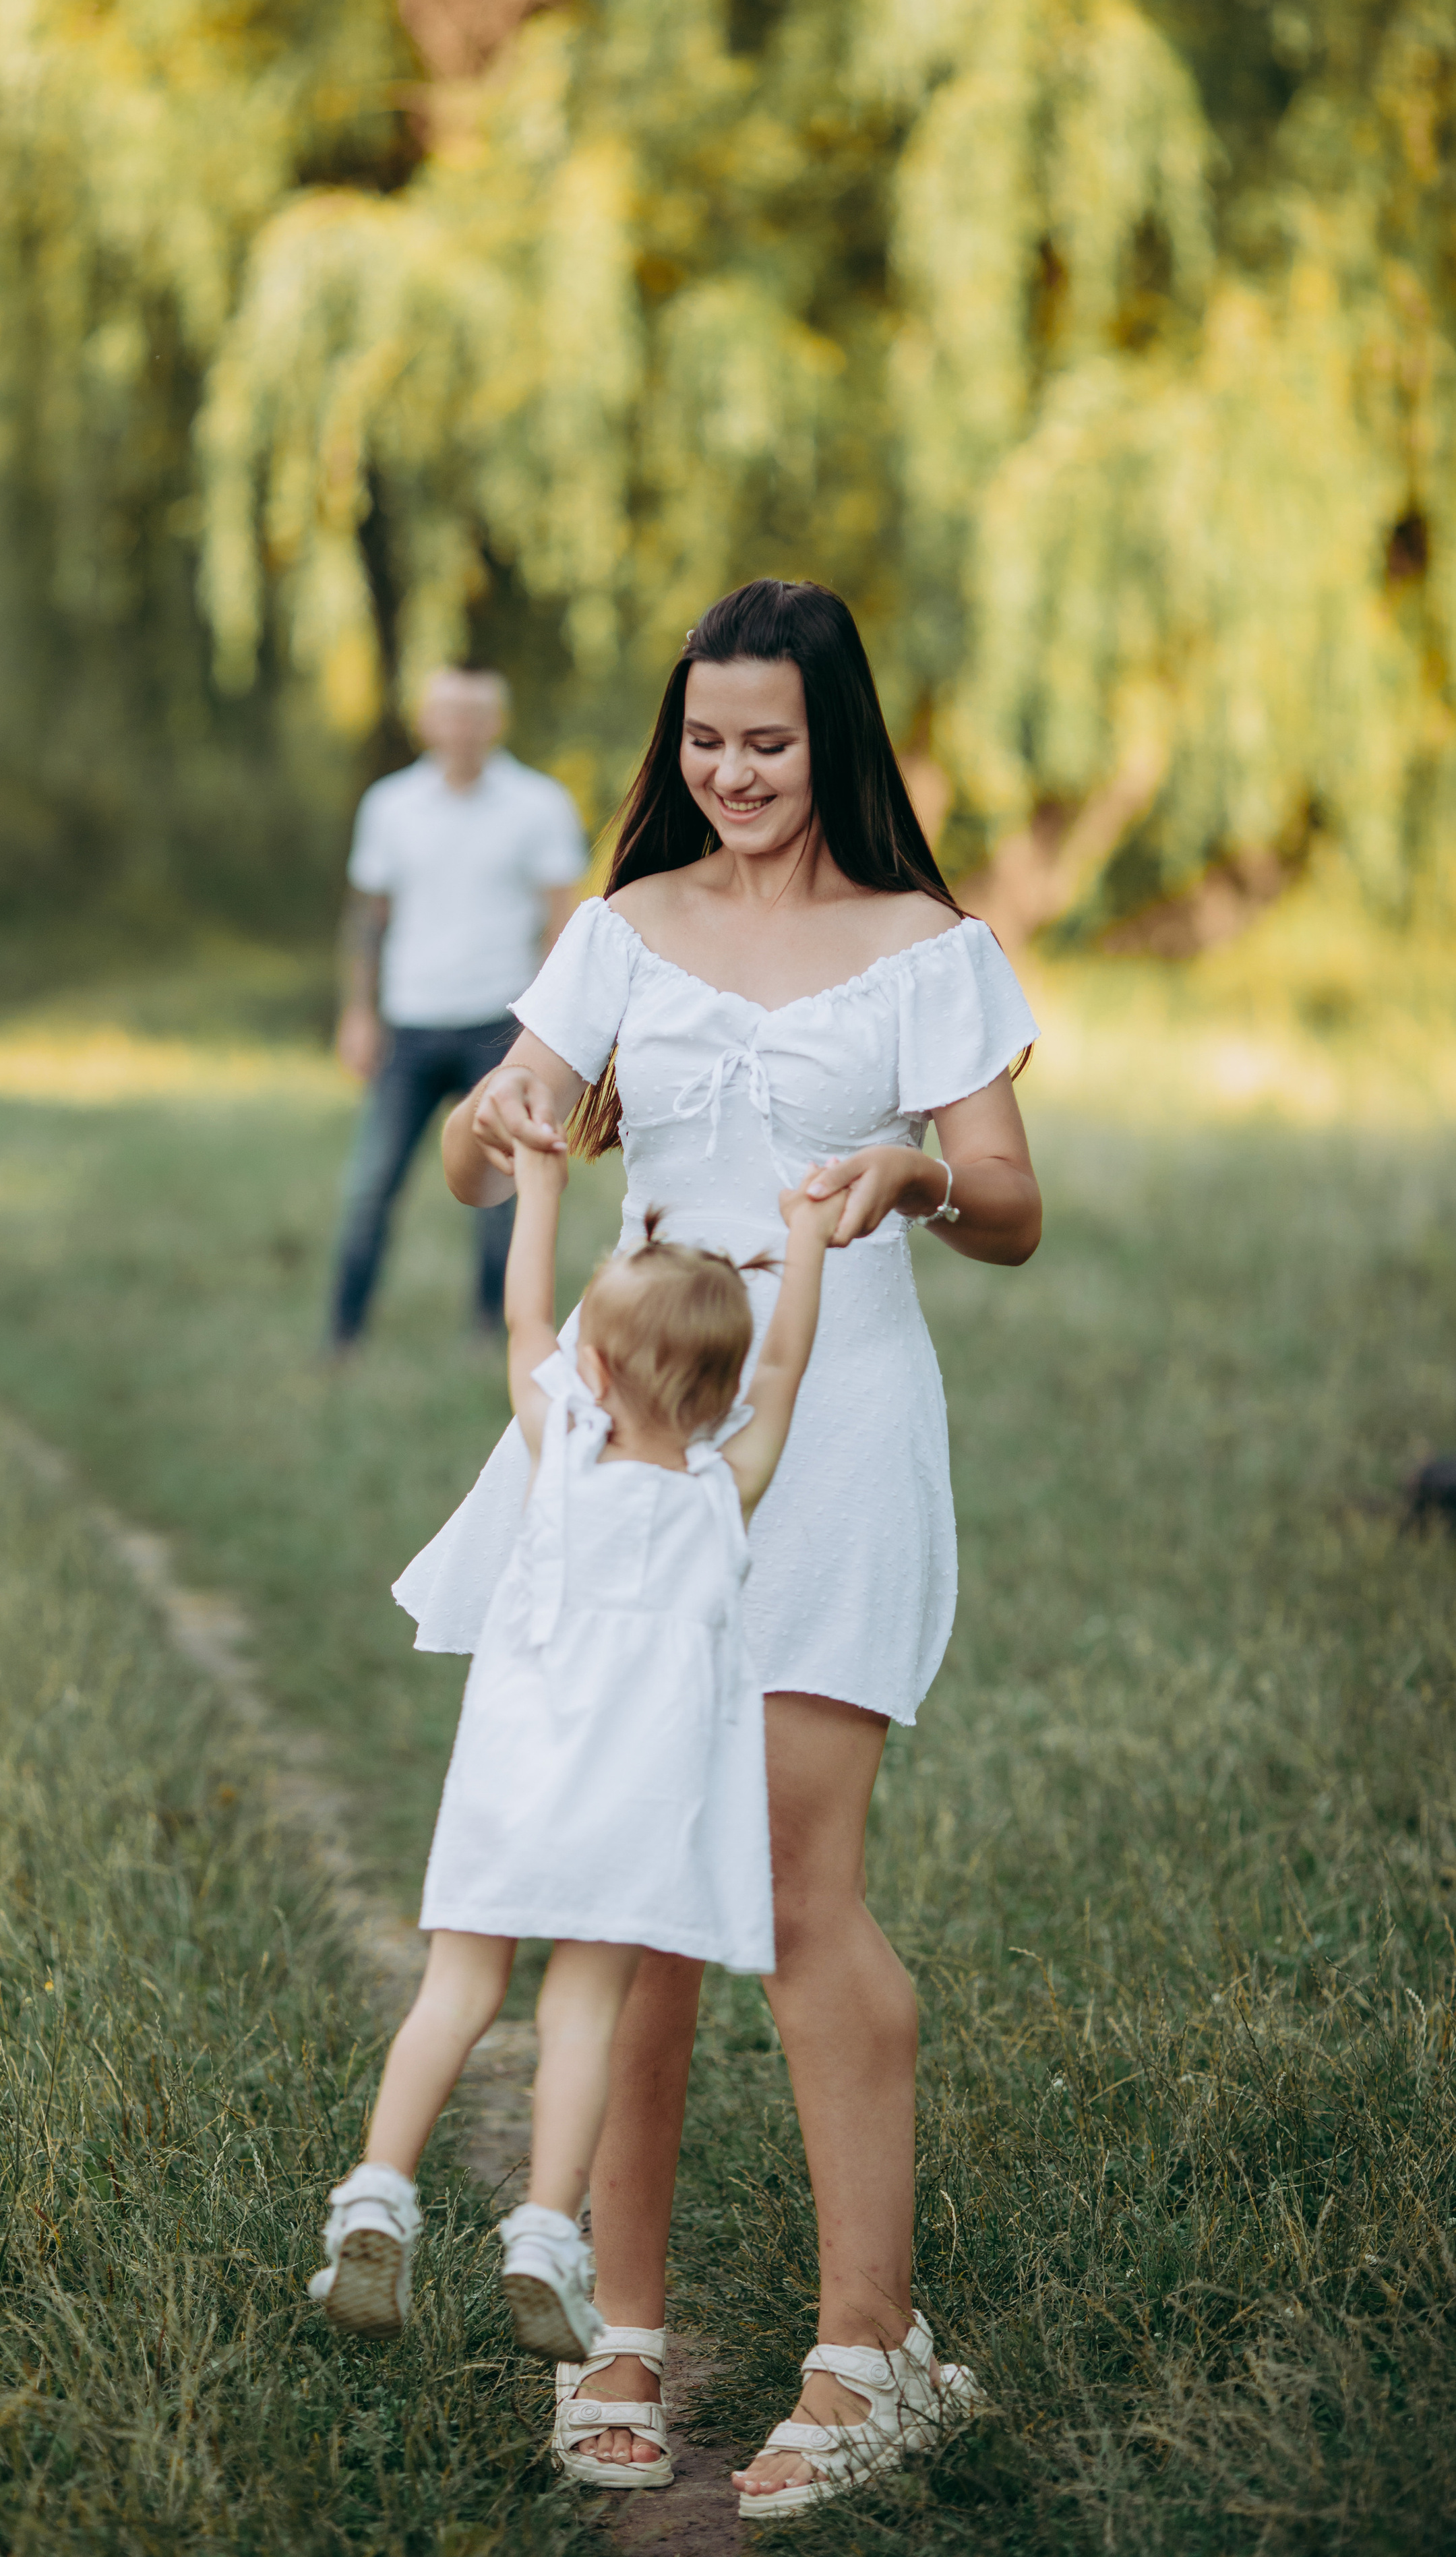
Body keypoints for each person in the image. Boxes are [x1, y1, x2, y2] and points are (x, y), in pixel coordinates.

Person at [400, 580, 1043, 2519]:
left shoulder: (928, 949)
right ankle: (623, 2331)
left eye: (766, 741)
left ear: (832, 739)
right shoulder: (621, 934)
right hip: (632, 1446)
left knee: (785, 1864)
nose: (732, 773)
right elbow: (485, 1145)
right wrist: (494, 1115)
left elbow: (1011, 1204)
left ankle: (875, 2346)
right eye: (704, 739)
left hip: (833, 1431)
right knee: (626, 1883)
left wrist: (914, 1171)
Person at [309, 1139, 853, 2382]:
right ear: (719, 1402)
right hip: (639, 1803)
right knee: (581, 2013)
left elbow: (516, 1318)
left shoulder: (561, 1465)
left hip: (516, 1782)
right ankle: (548, 2232)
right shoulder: (729, 1492)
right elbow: (788, 1360)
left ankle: (379, 2196)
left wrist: (544, 1187)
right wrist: (808, 1240)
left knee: (456, 1991)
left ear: (590, 1370)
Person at [326, 665, 587, 1349]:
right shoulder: (388, 806)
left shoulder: (539, 804)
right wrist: (358, 1012)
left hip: (498, 1027)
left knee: (499, 1196)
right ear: (428, 720)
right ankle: (343, 1336)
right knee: (369, 1188)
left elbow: (562, 925)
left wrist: (547, 1026)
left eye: (476, 713)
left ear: (496, 722)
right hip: (409, 1025)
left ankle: (490, 1333)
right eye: (449, 712)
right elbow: (368, 917)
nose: (462, 727)